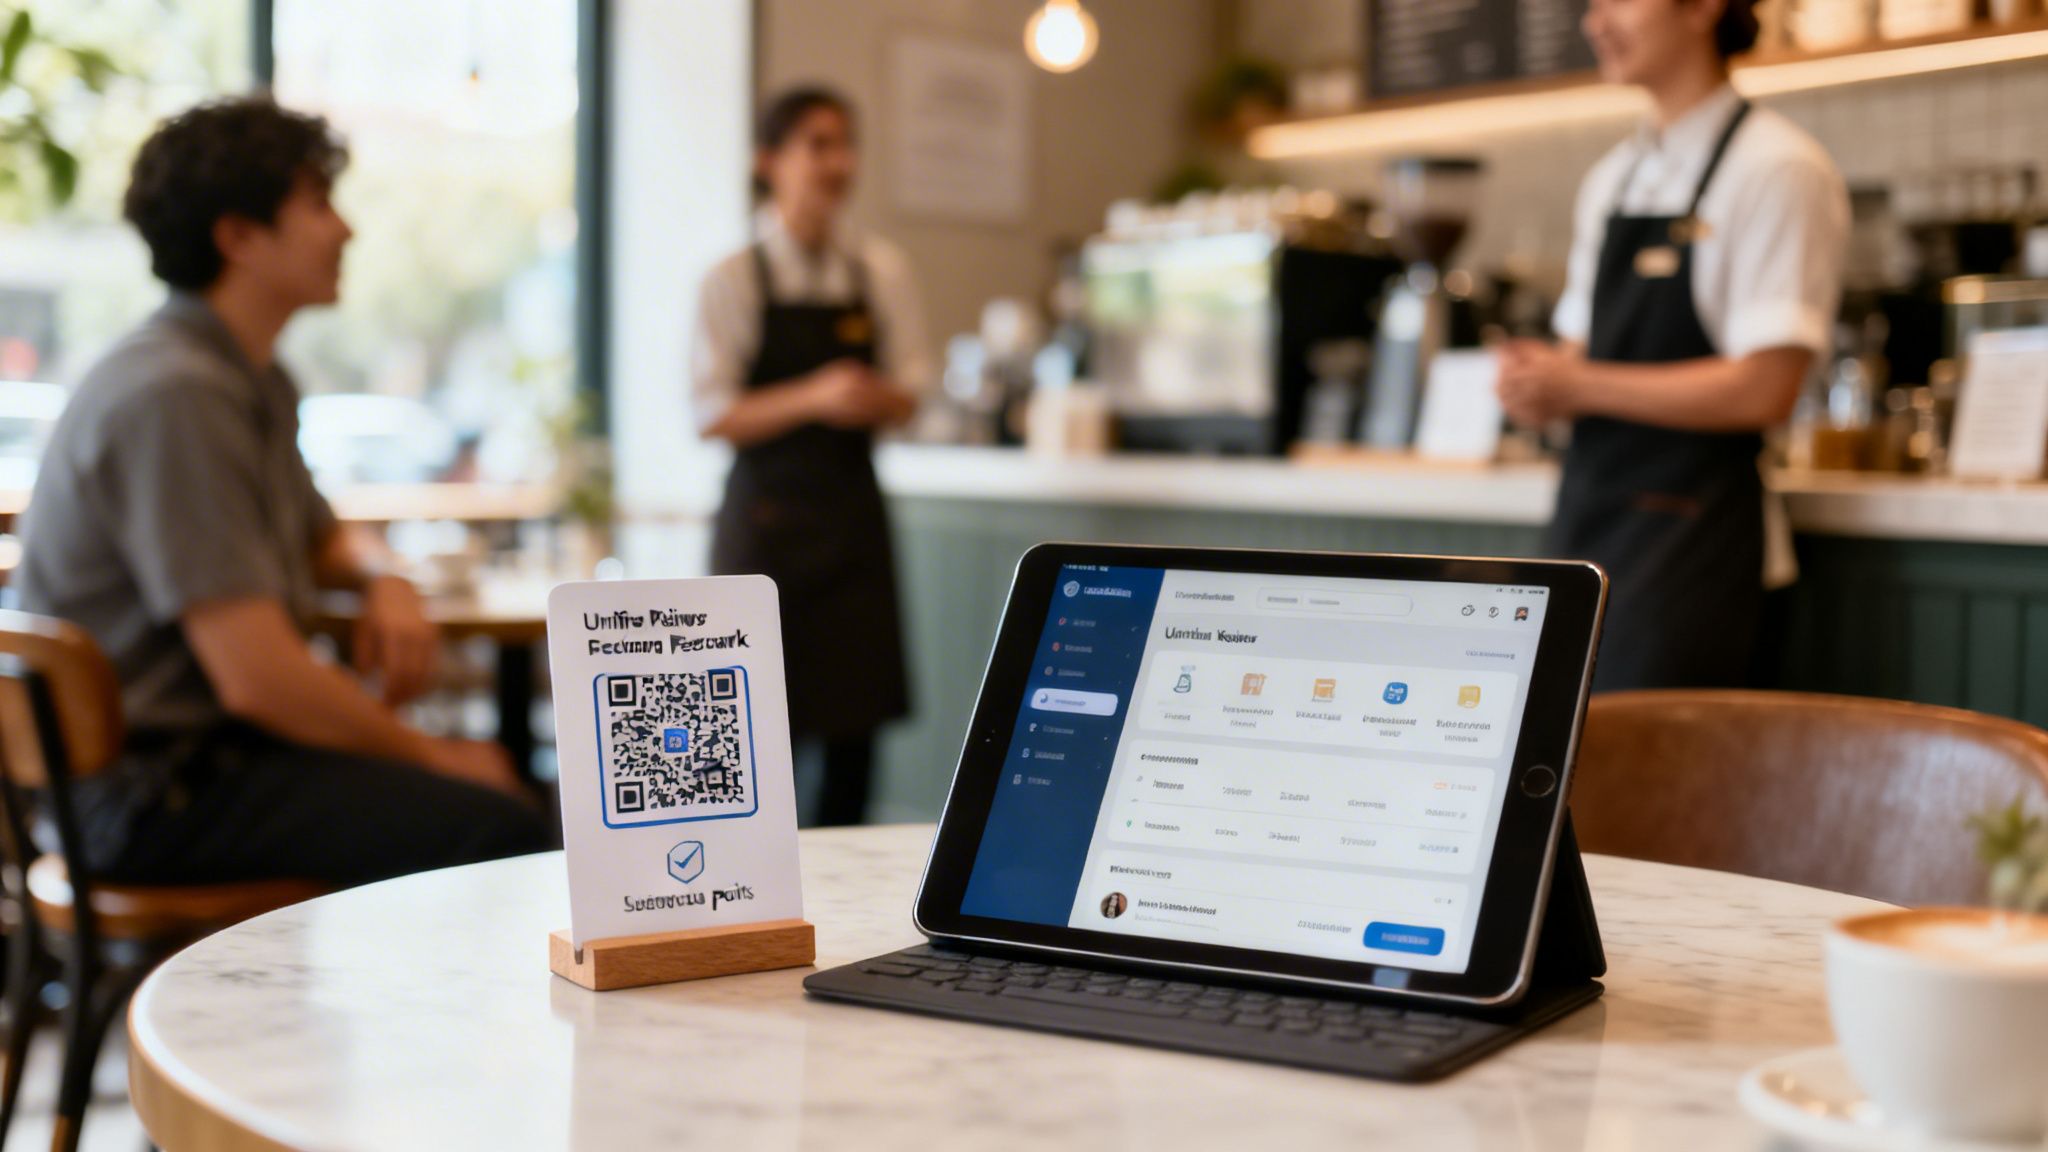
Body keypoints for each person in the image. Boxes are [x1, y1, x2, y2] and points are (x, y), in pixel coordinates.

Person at [14, 96, 549, 887]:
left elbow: (323, 536)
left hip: (203, 767)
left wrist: (384, 578)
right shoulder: (176, 394)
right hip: (150, 795)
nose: (346, 229)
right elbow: (257, 678)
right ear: (237, 237)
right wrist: (435, 753)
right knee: (504, 825)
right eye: (318, 204)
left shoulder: (248, 376)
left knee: (501, 805)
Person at [1497, 0, 1847, 692]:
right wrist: (1537, 385)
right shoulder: (1611, 179)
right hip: (1587, 530)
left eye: (1619, 1)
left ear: (1702, 8)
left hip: (1697, 556)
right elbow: (1579, 357)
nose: (1596, 23)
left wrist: (1579, 385)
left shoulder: (1777, 168)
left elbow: (1766, 387)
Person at [692, 86, 932, 826]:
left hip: (854, 523)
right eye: (817, 144)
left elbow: (915, 392)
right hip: (765, 532)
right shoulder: (733, 277)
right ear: (770, 161)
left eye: (846, 144)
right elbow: (711, 412)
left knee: (855, 737)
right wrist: (815, 395)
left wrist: (875, 397)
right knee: (756, 737)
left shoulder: (879, 271)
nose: (838, 163)